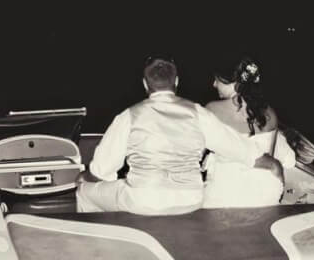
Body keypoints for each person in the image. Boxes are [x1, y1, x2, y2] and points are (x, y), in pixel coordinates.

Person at [75, 55, 279, 215]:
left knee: (85, 191)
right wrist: (270, 163)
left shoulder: (128, 116)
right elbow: (235, 146)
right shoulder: (198, 113)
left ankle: (94, 246)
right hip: (190, 199)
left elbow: (102, 169)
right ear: (177, 81)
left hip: (143, 200)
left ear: (145, 84)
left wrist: (84, 177)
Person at [202, 56, 296, 208]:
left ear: (234, 82)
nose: (214, 84)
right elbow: (269, 158)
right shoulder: (270, 113)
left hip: (226, 193)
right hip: (265, 192)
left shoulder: (212, 109)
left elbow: (196, 152)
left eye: (217, 80)